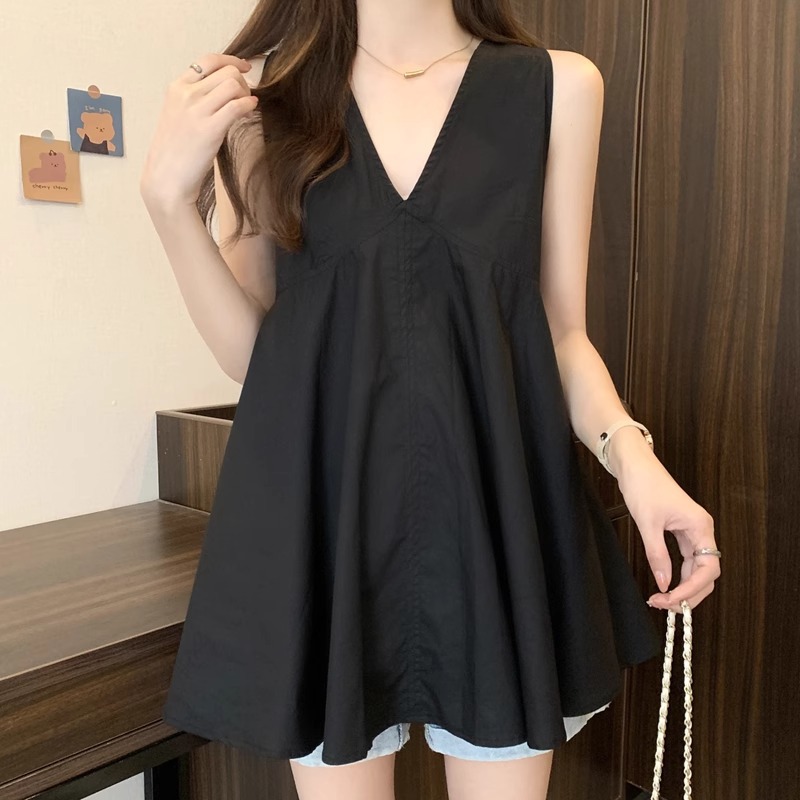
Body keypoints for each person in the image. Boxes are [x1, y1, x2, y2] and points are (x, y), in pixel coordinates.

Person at [140, 1, 722, 798]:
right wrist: (168, 206)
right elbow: (257, 357)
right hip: (328, 520)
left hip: (495, 514)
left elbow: (559, 333)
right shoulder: (262, 102)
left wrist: (634, 457)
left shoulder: (558, 87)